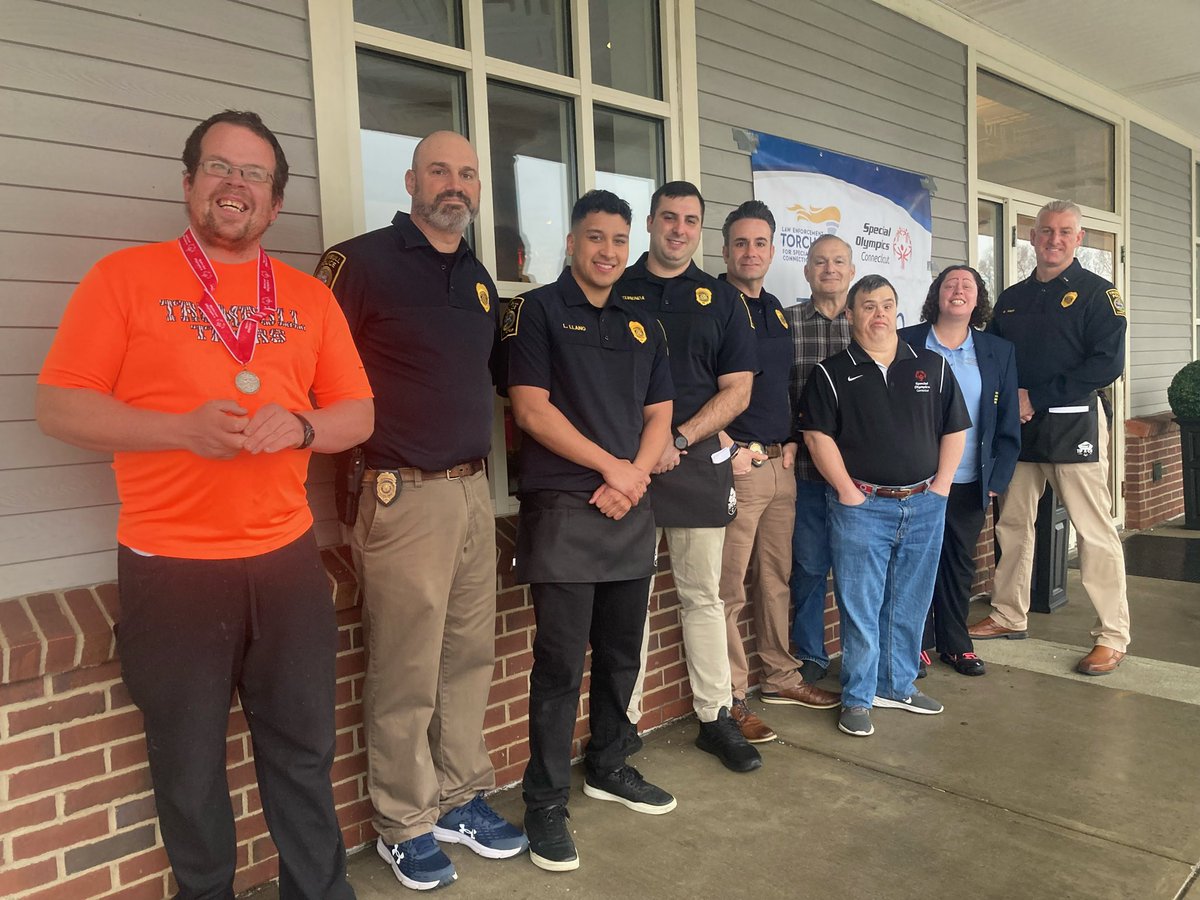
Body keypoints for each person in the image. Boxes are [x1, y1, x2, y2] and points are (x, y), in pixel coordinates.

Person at [36, 110, 373, 899]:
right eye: (219, 168)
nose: (236, 185)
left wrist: (299, 424)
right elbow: (59, 406)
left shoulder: (307, 299)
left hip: (286, 563)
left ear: (275, 203)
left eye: (254, 174)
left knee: (302, 753)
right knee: (188, 768)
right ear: (188, 184)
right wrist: (178, 430)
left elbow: (357, 414)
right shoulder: (123, 279)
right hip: (172, 566)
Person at [315, 131, 527, 891]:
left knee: (469, 656)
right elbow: (311, 369)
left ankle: (461, 797)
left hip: (474, 492)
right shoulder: (359, 263)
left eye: (468, 173)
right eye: (441, 169)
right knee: (406, 666)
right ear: (410, 179)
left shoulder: (477, 279)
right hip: (400, 496)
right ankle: (404, 820)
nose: (456, 184)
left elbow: (503, 379)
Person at [506, 189, 676, 872]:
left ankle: (610, 762)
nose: (607, 251)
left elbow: (660, 413)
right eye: (594, 238)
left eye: (617, 240)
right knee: (557, 668)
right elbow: (531, 411)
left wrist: (632, 478)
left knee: (620, 656)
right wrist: (616, 469)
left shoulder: (643, 326)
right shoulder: (538, 312)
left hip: (628, 510)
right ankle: (544, 803)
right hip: (566, 513)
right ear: (572, 244)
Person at [617, 181, 762, 773]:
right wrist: (645, 453)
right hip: (624, 470)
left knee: (703, 597)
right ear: (651, 223)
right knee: (630, 603)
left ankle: (715, 716)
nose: (679, 228)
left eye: (690, 220)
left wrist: (679, 438)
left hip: (697, 463)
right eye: (669, 217)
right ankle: (619, 725)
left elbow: (739, 390)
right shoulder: (615, 289)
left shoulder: (722, 298)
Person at [798, 274, 969, 738]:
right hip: (861, 507)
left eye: (887, 304)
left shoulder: (930, 366)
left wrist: (941, 489)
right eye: (868, 306)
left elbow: (955, 428)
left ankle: (898, 685)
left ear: (898, 311)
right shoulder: (831, 372)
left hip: (924, 503)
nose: (878, 314)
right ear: (850, 315)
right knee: (861, 605)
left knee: (910, 602)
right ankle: (858, 695)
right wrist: (849, 493)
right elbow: (817, 437)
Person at [969, 200, 1131, 676]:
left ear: (1078, 239)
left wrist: (1035, 396)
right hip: (1020, 430)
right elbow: (995, 358)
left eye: (1064, 232)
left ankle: (1112, 635)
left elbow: (1108, 364)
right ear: (1032, 237)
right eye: (1045, 232)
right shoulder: (1013, 298)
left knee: (1094, 530)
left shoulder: (1099, 294)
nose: (1053, 239)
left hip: (1073, 424)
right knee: (1013, 526)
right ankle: (1008, 614)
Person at [716, 202, 841, 744]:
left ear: (772, 250)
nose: (751, 252)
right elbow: (690, 386)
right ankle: (732, 697)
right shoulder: (711, 303)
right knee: (727, 592)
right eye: (741, 243)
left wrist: (790, 440)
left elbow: (787, 388)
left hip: (779, 466)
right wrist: (726, 446)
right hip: (737, 466)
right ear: (726, 250)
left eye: (760, 243)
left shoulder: (775, 312)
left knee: (776, 580)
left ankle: (780, 676)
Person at [899, 266, 1021, 677]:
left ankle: (955, 644)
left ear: (977, 299)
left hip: (970, 481)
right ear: (937, 294)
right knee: (912, 563)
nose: (958, 290)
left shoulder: (997, 351)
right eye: (950, 283)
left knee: (958, 565)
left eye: (967, 285)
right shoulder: (907, 342)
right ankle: (910, 645)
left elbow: (1006, 422)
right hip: (915, 480)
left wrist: (996, 482)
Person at [784, 235, 855, 684]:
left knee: (861, 571)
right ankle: (811, 654)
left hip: (862, 475)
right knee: (809, 567)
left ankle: (865, 654)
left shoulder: (868, 324)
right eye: (820, 262)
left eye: (838, 262)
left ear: (851, 271)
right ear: (807, 271)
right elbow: (773, 394)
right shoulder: (786, 324)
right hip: (806, 473)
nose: (829, 269)